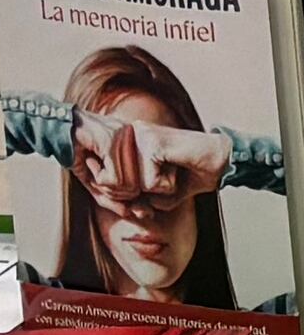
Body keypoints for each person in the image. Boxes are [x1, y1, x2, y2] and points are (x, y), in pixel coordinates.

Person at [50, 48, 241, 305]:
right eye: (118, 176)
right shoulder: (42, 304)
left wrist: (225, 154)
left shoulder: (275, 320)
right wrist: (70, 130)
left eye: (165, 169)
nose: (142, 211)